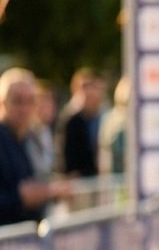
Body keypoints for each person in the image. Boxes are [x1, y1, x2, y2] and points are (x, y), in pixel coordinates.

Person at [0, 68, 70, 226]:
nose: (24, 109)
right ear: (2, 103)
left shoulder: (25, 138)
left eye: (30, 101)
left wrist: (48, 192)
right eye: (17, 101)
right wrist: (20, 197)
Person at [57, 67, 106, 177]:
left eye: (94, 87)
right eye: (85, 87)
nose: (90, 92)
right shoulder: (69, 120)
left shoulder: (104, 118)